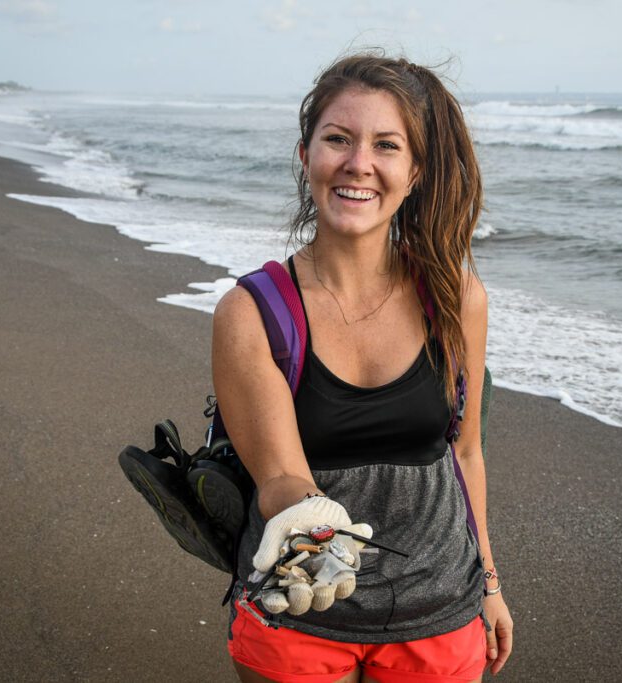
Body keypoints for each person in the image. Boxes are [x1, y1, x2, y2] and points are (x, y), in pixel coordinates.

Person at [212, 52, 513, 683]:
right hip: (298, 608)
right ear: (306, 157)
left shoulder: (457, 300)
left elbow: (467, 453)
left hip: (440, 612)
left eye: (386, 145)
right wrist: (308, 518)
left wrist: (488, 581)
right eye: (338, 140)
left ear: (414, 171)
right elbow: (280, 477)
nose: (359, 164)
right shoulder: (254, 313)